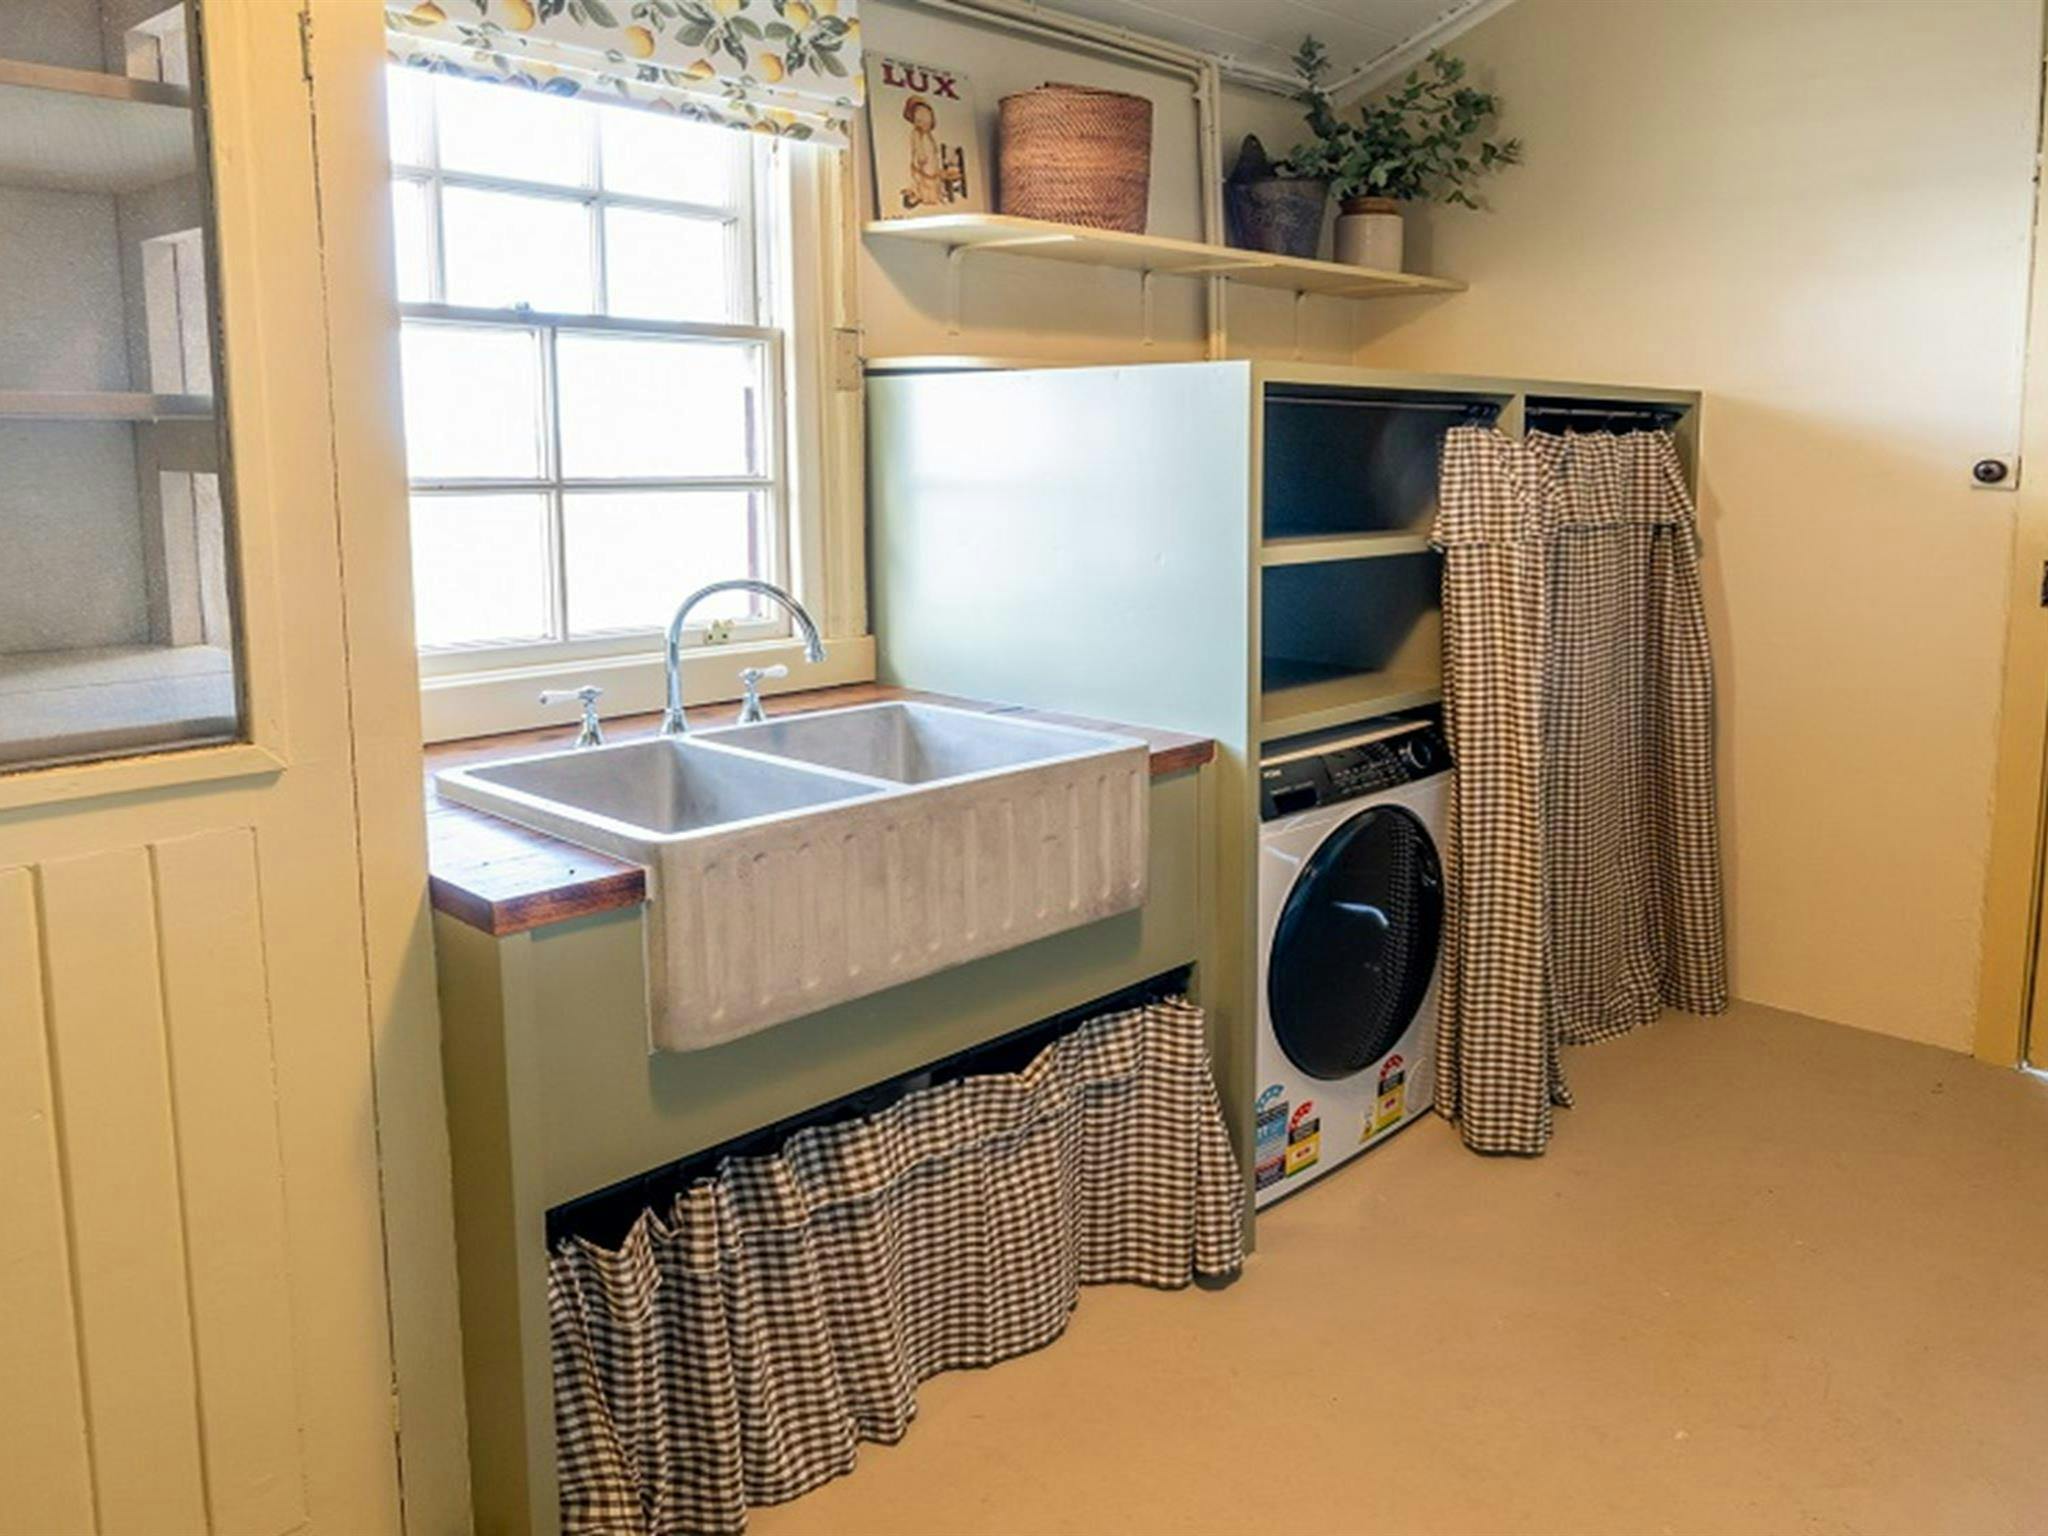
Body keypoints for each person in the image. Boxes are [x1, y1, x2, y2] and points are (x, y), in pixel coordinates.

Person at [903, 96, 945, 208]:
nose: (924, 121)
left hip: (931, 162)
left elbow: (933, 149)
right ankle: (927, 197)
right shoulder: (917, 134)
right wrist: (921, 156)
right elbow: (917, 147)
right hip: (923, 162)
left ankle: (933, 196)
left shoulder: (929, 135)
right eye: (919, 118)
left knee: (932, 177)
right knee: (925, 180)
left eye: (927, 117)